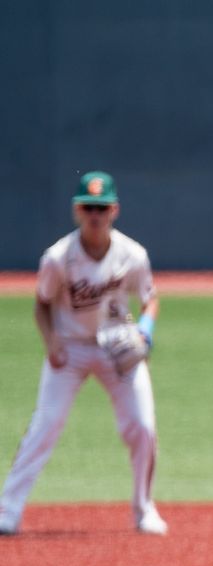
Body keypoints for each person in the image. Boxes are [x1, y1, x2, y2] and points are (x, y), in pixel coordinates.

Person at [0, 171, 165, 536]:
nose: (95, 214)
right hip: (70, 349)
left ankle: (144, 509)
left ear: (114, 210)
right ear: (77, 210)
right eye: (89, 207)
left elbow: (150, 298)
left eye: (102, 207)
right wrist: (51, 341)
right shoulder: (58, 258)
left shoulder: (132, 255)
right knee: (46, 425)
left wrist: (145, 332)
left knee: (142, 426)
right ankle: (7, 511)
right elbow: (41, 304)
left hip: (116, 346)